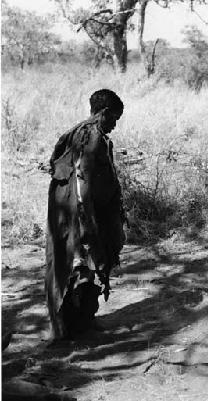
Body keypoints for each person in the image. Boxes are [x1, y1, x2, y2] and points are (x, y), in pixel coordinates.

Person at [45, 89, 126, 341]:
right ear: (103, 113)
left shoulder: (86, 133)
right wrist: (86, 223)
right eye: (113, 118)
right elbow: (82, 182)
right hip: (79, 213)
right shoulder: (89, 136)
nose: (114, 124)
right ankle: (73, 328)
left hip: (81, 211)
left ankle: (83, 321)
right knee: (81, 264)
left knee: (87, 263)